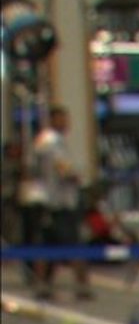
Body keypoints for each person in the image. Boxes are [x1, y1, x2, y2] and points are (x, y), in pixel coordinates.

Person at [26, 105, 91, 300]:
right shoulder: (52, 142)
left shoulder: (44, 141)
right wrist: (77, 178)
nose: (66, 123)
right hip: (59, 202)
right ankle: (81, 285)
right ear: (53, 120)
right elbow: (63, 169)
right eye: (62, 119)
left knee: (48, 245)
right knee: (72, 244)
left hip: (50, 200)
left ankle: (43, 285)